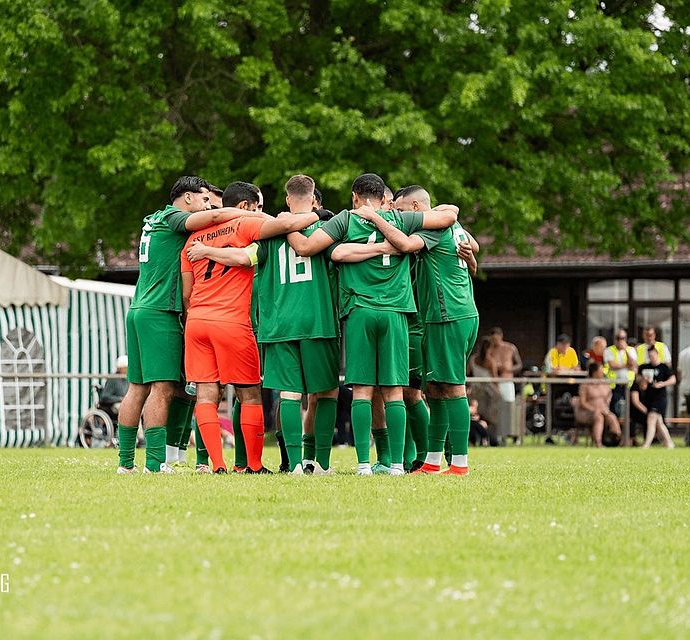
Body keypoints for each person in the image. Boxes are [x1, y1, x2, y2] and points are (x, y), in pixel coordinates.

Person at [285, 173, 458, 475]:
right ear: (383, 198)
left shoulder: (344, 220)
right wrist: (385, 237)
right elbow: (446, 217)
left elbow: (317, 248)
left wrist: (285, 224)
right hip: (395, 312)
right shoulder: (403, 221)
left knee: (363, 390)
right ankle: (395, 466)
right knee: (394, 391)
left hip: (359, 310)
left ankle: (364, 464)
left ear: (354, 197)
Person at [117, 176, 265, 474]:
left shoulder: (154, 219)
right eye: (202, 198)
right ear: (187, 198)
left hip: (139, 308)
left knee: (138, 387)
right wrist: (249, 214)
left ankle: (126, 463)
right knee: (162, 388)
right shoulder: (176, 217)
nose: (206, 205)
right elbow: (214, 217)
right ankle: (156, 464)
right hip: (162, 311)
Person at [181, 181, 318, 474]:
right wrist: (314, 215)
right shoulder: (243, 226)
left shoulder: (192, 240)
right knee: (250, 394)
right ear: (245, 207)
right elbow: (288, 225)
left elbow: (186, 292)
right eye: (257, 207)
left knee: (206, 394)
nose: (261, 212)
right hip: (231, 321)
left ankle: (216, 465)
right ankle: (253, 465)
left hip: (197, 322)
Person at [367, 184, 480, 475]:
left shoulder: (433, 227)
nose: (400, 218)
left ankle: (460, 463)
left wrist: (376, 218)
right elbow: (473, 245)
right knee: (436, 388)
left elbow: (405, 245)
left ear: (417, 208)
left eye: (402, 211)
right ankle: (431, 460)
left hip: (449, 315)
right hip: (451, 314)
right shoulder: (450, 221)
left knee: (453, 387)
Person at [486, 327, 522, 440]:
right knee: (495, 408)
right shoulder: (489, 350)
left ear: (501, 336)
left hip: (507, 380)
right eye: (493, 340)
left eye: (497, 339)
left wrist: (509, 368)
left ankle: (512, 433)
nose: (495, 342)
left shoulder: (510, 348)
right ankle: (497, 435)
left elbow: (519, 365)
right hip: (494, 382)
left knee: (509, 406)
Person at [636, 347, 676, 448]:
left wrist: (662, 384)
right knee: (659, 422)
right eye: (649, 356)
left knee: (651, 418)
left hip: (660, 398)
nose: (651, 358)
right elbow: (640, 383)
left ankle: (647, 444)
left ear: (657, 355)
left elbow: (673, 379)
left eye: (653, 355)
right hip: (649, 398)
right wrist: (644, 381)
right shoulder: (644, 367)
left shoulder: (664, 367)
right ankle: (669, 443)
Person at [575, 362, 621, 447]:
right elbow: (582, 402)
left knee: (612, 417)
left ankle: (616, 440)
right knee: (598, 416)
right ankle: (598, 443)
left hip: (603, 410)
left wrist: (605, 407)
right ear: (594, 372)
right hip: (588, 411)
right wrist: (594, 409)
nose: (602, 372)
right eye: (600, 370)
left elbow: (608, 396)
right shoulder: (585, 385)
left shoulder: (605, 384)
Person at [606, 329, 638, 418]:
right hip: (614, 384)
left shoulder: (630, 350)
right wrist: (627, 365)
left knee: (629, 408)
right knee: (614, 408)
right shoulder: (609, 350)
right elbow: (612, 366)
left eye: (622, 338)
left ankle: (629, 430)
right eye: (618, 338)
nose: (620, 341)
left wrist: (625, 350)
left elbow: (633, 364)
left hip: (629, 384)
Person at [98, 356, 129, 423]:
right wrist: (119, 399)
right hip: (112, 405)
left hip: (125, 402)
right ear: (120, 368)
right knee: (128, 409)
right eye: (126, 368)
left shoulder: (127, 379)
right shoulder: (113, 379)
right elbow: (104, 397)